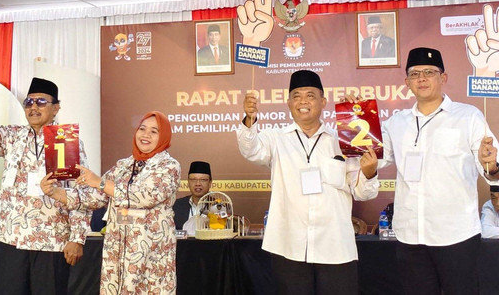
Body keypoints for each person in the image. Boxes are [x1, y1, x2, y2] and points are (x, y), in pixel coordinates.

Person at [345, 47, 499, 294]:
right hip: (411, 236)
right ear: (407, 82)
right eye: (415, 74)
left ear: (443, 77)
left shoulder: (468, 116)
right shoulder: (396, 122)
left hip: (455, 234)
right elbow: (371, 156)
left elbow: (491, 168)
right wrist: (355, 114)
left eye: (429, 72)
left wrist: (490, 164)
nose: (422, 78)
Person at [237, 69, 379, 295]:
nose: (302, 101)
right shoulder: (275, 139)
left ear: (323, 102)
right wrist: (249, 118)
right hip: (289, 246)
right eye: (296, 95)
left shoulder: (343, 141)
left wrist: (369, 172)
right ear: (288, 103)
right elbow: (250, 149)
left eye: (310, 95)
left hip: (335, 247)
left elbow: (363, 193)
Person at [0, 61, 91, 295]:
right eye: (29, 102)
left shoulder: (64, 140)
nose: (34, 107)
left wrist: (78, 237)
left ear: (56, 108)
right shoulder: (13, 136)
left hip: (50, 240)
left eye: (41, 102)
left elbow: (80, 192)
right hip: (11, 239)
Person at [41, 111, 181, 294]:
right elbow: (96, 197)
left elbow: (144, 196)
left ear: (163, 137)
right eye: (142, 129)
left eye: (154, 131)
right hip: (117, 251)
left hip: (150, 254)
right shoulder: (123, 165)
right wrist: (56, 193)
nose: (145, 135)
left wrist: (99, 182)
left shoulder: (169, 166)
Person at [173, 161, 213, 233]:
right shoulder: (176, 206)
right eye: (193, 180)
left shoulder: (218, 206)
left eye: (203, 180)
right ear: (188, 182)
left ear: (210, 183)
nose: (198, 184)